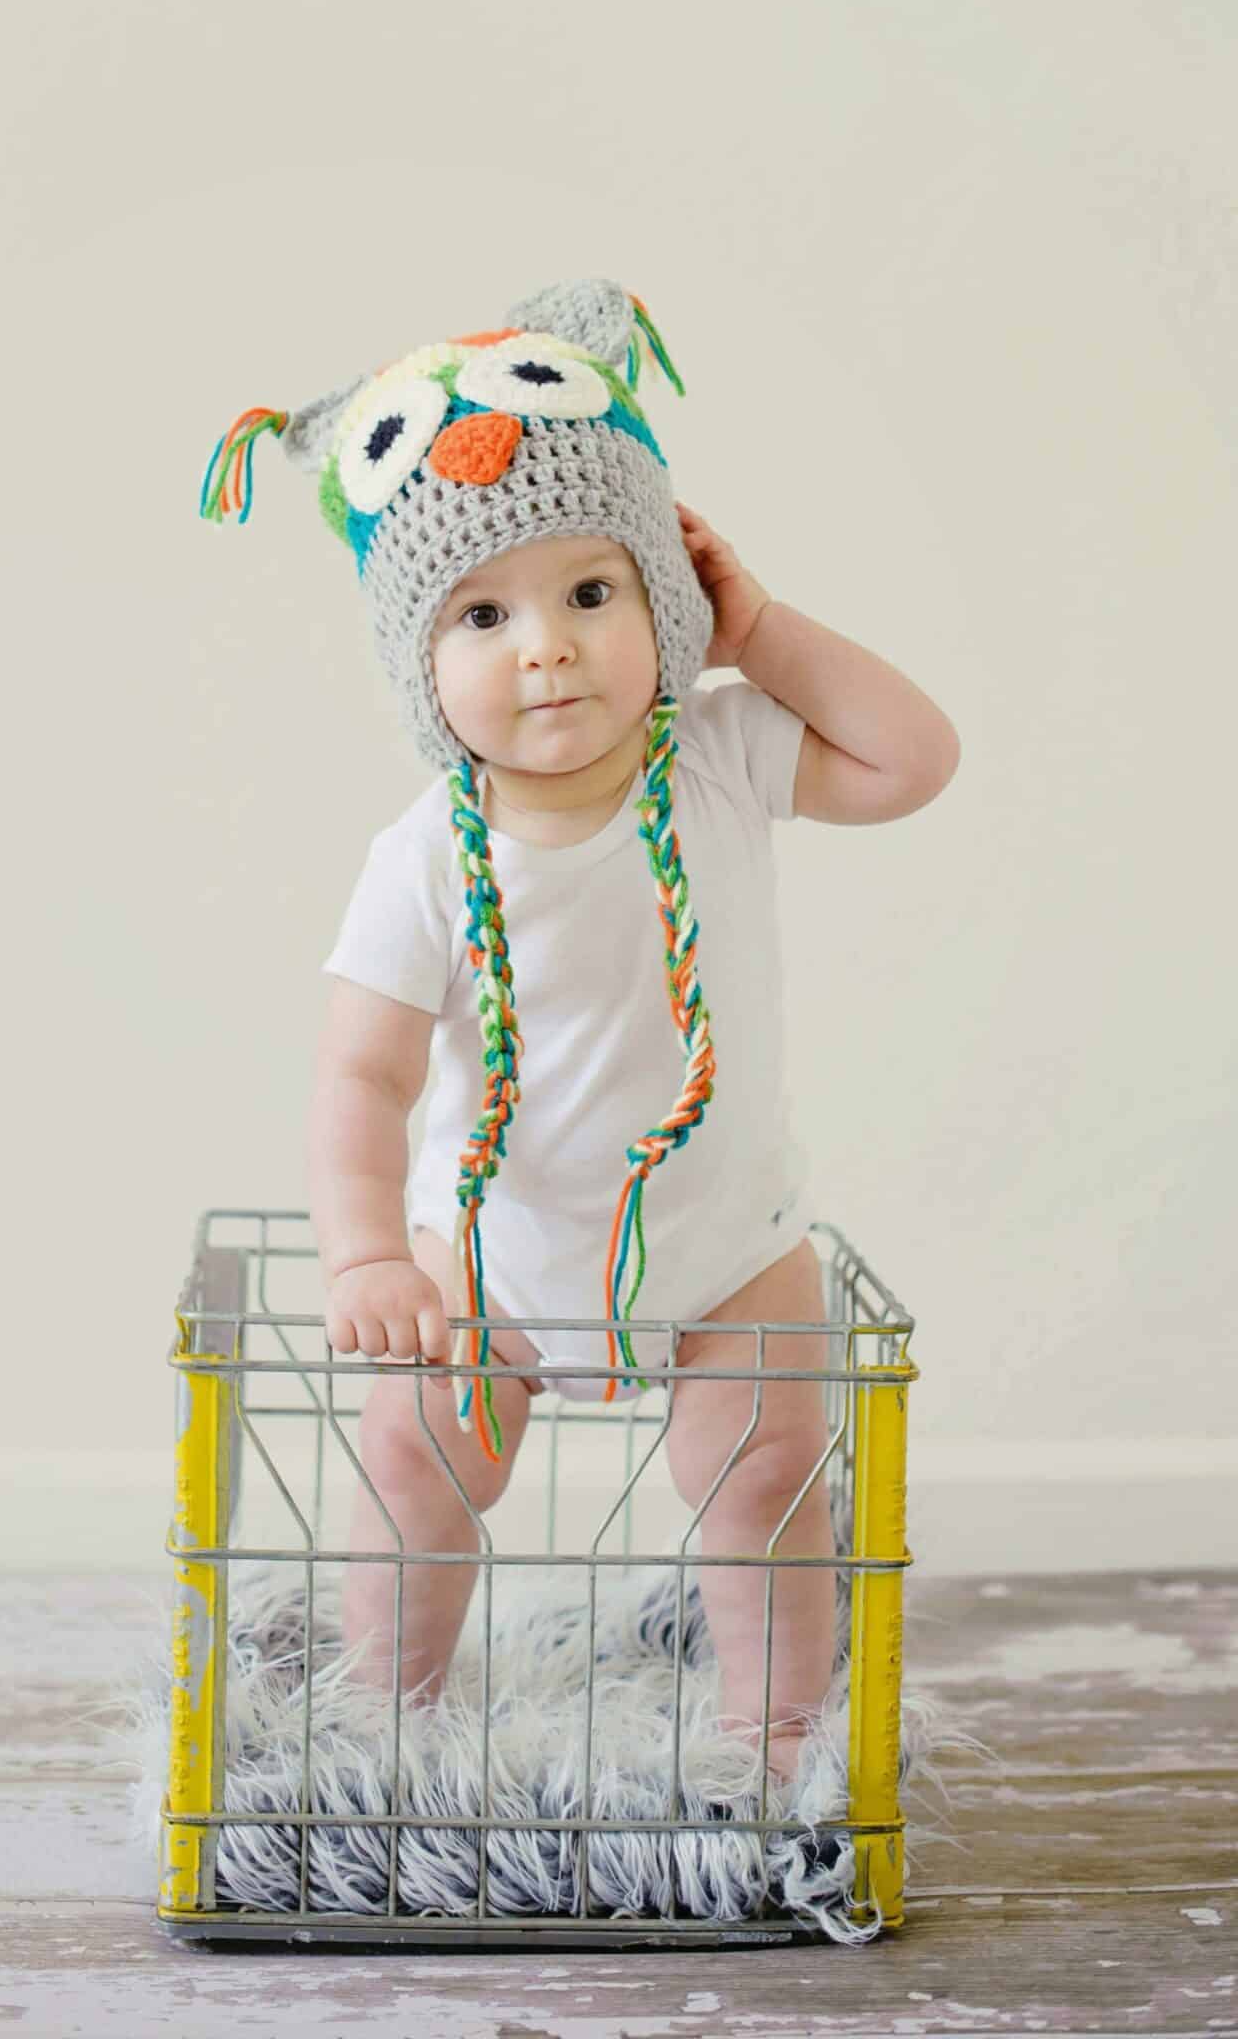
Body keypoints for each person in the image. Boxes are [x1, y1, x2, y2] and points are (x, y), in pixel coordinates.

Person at [198, 275, 959, 1785]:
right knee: (416, 1466)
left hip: (731, 1242)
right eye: (482, 615)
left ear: (666, 600)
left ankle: (770, 1749)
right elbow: (365, 1073)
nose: (545, 647)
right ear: (419, 664)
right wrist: (366, 1257)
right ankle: (382, 1721)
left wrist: (762, 628)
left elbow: (911, 758)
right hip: (484, 1256)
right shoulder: (426, 852)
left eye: (591, 594)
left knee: (757, 1482)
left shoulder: (725, 757)